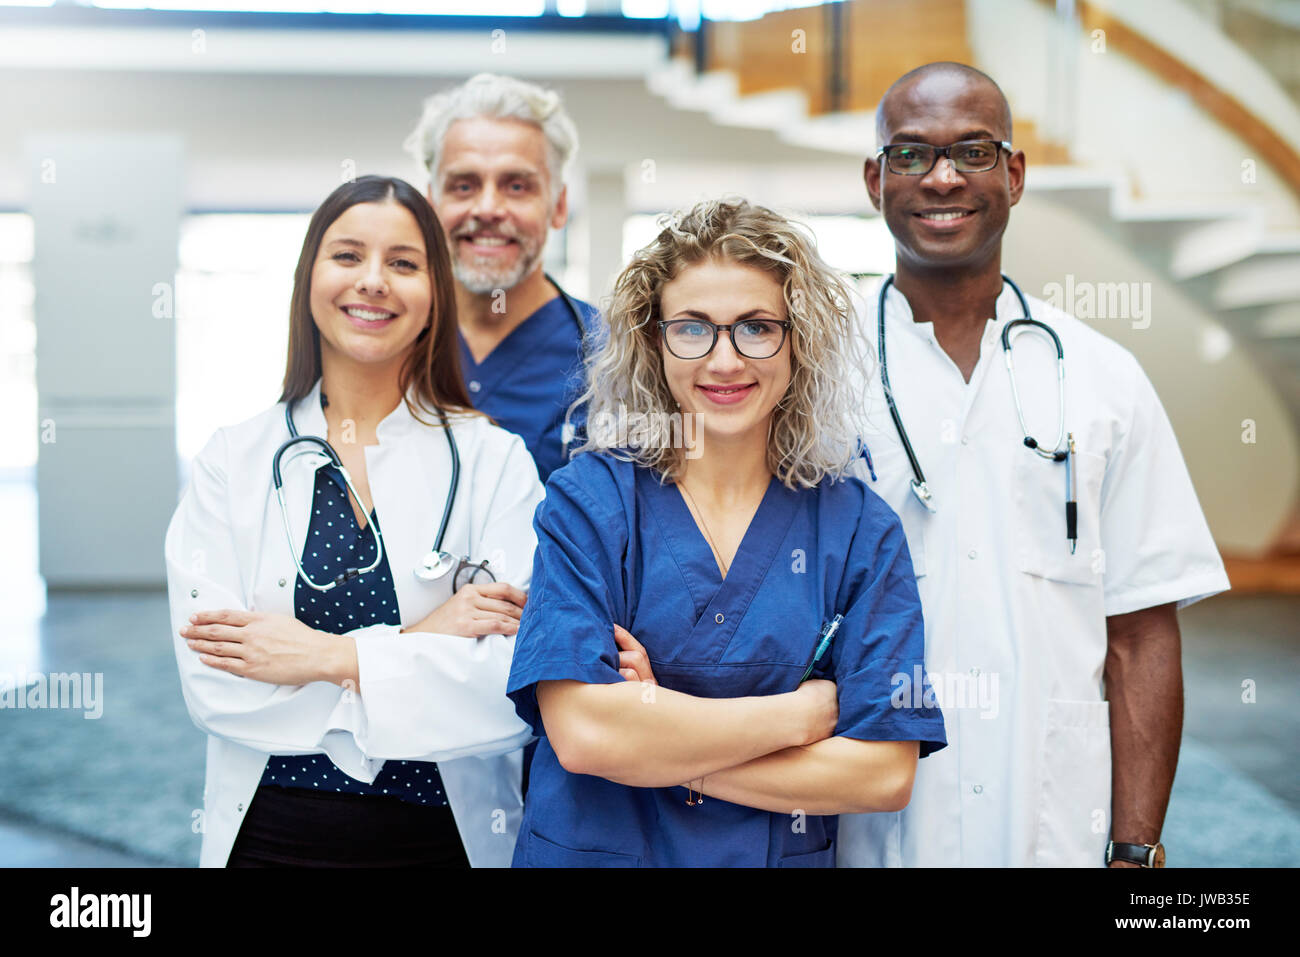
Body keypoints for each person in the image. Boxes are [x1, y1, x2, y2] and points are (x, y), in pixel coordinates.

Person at [836, 63, 1231, 868]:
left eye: (973, 151)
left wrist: (1134, 847)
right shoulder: (813, 375)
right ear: (876, 178)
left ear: (1013, 174)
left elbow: (1142, 628)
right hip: (864, 816)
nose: (943, 177)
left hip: (1055, 819)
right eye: (910, 154)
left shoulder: (1103, 377)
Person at [505, 198, 947, 867]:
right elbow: (585, 736)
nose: (724, 359)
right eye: (693, 328)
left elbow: (882, 774)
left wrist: (663, 740)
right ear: (655, 340)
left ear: (797, 340)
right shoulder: (591, 502)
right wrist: (797, 719)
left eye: (756, 327)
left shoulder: (857, 527)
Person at [165, 175, 544, 868]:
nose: (373, 281)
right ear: (309, 279)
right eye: (347, 256)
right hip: (269, 835)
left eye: (403, 263)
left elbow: (509, 691)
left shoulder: (496, 461)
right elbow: (216, 685)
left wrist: (326, 656)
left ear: (436, 298)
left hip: (447, 835)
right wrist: (422, 641)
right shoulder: (233, 460)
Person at [404, 72, 599, 486]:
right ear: (430, 204)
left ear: (558, 205)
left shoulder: (616, 356)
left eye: (516, 186)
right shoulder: (390, 342)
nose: (489, 208)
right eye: (463, 185)